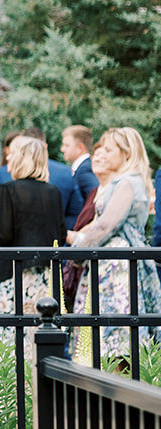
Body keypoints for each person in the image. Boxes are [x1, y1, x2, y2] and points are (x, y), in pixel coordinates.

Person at [70, 127, 161, 361]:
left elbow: (106, 225)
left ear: (126, 154)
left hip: (115, 265)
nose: (104, 154)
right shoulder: (125, 181)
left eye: (110, 150)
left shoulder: (127, 182)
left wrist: (77, 254)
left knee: (115, 337)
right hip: (111, 260)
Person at [0, 136, 66, 319]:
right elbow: (61, 235)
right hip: (46, 275)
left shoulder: (8, 190)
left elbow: (5, 234)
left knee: (11, 332)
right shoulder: (53, 192)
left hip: (15, 271)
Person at [0, 127, 84, 237]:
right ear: (45, 147)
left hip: (14, 249)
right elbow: (75, 214)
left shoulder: (3, 175)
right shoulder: (64, 175)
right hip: (50, 247)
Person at [61, 124, 98, 205]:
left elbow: (95, 198)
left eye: (66, 145)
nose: (62, 149)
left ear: (80, 148)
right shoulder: (84, 167)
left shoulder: (85, 170)